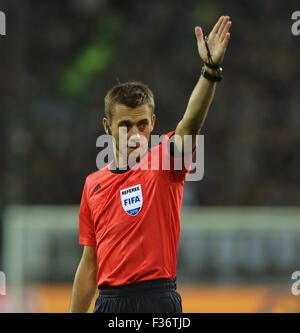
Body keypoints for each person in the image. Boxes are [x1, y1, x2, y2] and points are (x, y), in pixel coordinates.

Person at [69, 15, 232, 313]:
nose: (134, 134)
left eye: (142, 125)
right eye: (125, 126)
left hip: (157, 300)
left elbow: (190, 124)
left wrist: (210, 72)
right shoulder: (93, 185)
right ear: (107, 126)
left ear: (153, 123)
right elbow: (89, 266)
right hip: (108, 303)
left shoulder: (166, 161)